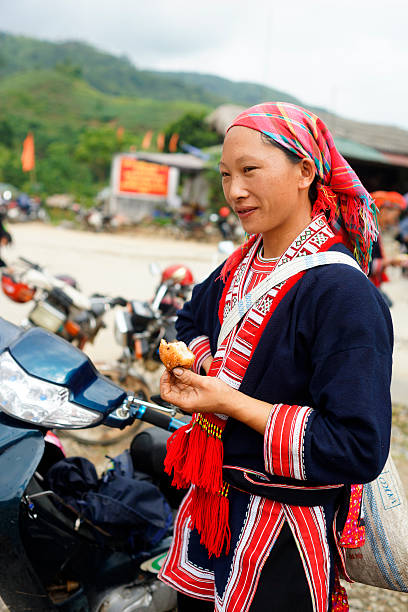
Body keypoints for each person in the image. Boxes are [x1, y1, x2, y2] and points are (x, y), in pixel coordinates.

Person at [158, 102, 393, 612]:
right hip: (212, 511)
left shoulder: (341, 294)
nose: (234, 191)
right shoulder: (239, 266)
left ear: (306, 170)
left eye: (250, 171)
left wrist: (232, 402)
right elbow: (190, 321)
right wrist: (200, 369)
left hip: (282, 538)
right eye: (225, 176)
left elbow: (358, 447)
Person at [369, 191, 408, 301]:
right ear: (384, 211)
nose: (395, 221)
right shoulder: (369, 233)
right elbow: (367, 266)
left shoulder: (375, 230)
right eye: (395, 216)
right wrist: (391, 261)